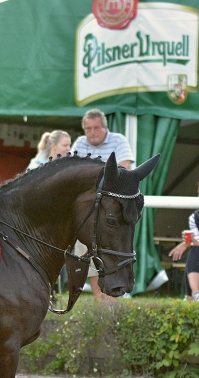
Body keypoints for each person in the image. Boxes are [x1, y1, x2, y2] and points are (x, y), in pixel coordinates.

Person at [71, 108, 135, 301]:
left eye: (96, 127)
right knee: (85, 251)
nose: (92, 132)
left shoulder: (119, 140)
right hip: (88, 211)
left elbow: (124, 171)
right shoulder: (80, 143)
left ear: (105, 127)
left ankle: (114, 296)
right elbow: (73, 175)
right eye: (88, 128)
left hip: (113, 211)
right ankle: (102, 301)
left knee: (116, 249)